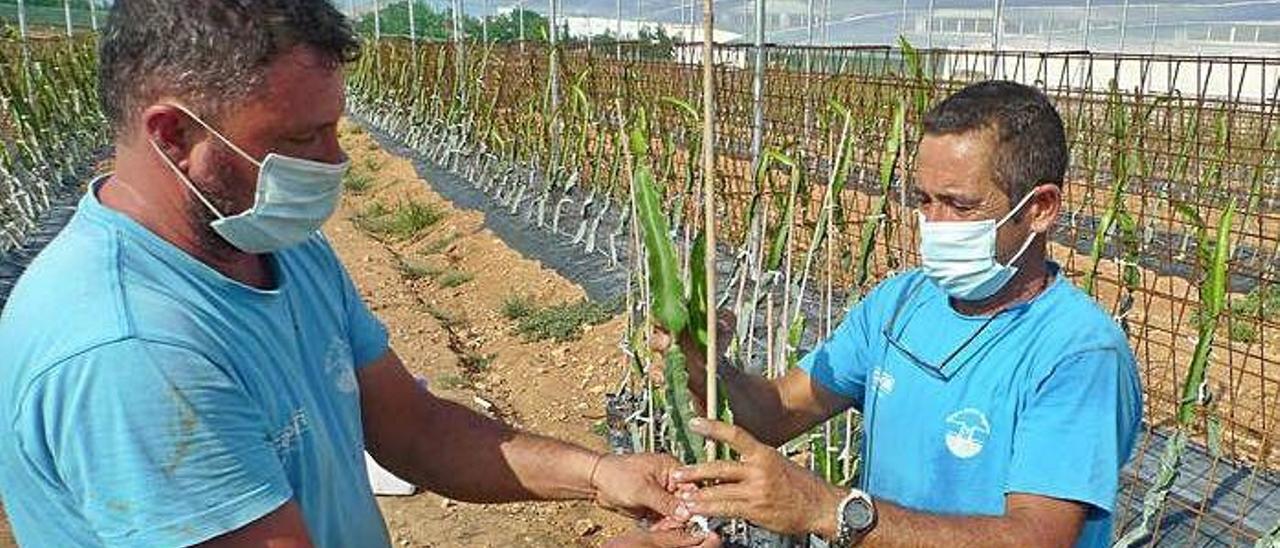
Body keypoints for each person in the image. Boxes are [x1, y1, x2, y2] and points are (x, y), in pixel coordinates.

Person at [0, 2, 711, 547]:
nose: (335, 162)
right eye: (301, 138)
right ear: (175, 136)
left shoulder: (279, 246)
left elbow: (412, 425)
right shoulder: (130, 354)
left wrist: (598, 476)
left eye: (335, 128)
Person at [655, 81, 1143, 548]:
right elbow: (777, 413)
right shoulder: (901, 302)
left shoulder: (1077, 352)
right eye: (924, 200)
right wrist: (701, 364)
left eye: (959, 205)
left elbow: (1038, 537)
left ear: (1039, 208)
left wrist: (825, 508)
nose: (934, 225)